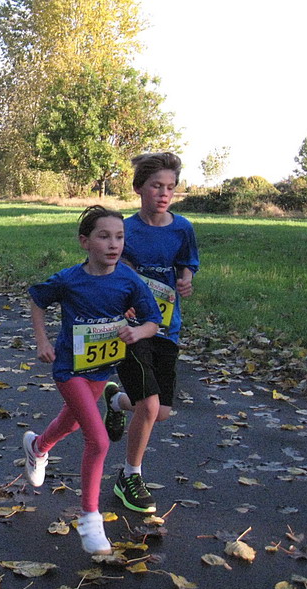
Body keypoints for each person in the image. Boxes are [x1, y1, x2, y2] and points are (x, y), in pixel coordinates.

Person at [24, 205, 162, 555]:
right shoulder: (69, 279)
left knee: (70, 424)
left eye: (119, 237)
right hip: (69, 369)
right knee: (98, 440)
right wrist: (42, 341)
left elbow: (153, 320)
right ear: (85, 242)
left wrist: (137, 332)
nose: (113, 244)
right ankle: (90, 519)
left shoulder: (128, 280)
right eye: (104, 236)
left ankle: (38, 446)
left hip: (101, 369)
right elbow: (37, 299)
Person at [101, 152, 200, 514]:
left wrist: (186, 280)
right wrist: (125, 299)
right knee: (150, 403)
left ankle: (116, 401)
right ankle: (130, 476)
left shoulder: (182, 228)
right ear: (139, 188)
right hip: (131, 328)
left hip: (166, 327)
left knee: (162, 412)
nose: (164, 193)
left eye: (170, 187)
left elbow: (187, 264)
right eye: (157, 186)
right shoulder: (125, 230)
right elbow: (113, 268)